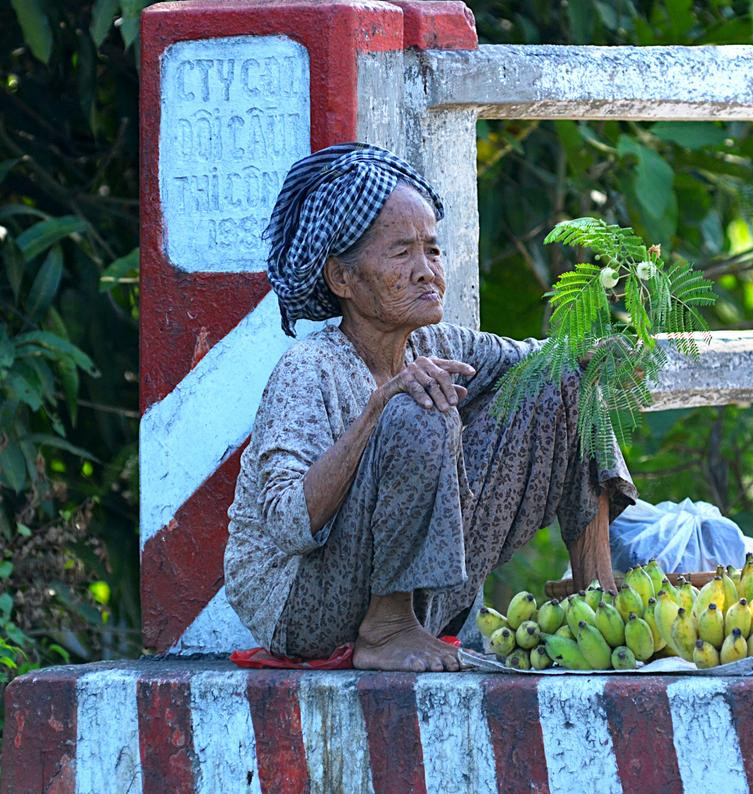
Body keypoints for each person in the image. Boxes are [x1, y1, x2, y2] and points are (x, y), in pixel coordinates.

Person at [223, 143, 636, 672]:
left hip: (422, 596)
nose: (426, 270)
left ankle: (595, 599)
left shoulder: (436, 344)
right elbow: (287, 524)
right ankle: (387, 628)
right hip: (304, 606)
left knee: (560, 379)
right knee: (418, 409)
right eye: (401, 253)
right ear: (341, 278)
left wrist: (601, 352)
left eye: (433, 250)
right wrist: (378, 411)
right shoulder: (309, 369)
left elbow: (542, 364)